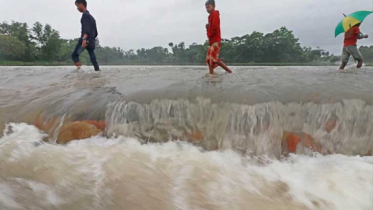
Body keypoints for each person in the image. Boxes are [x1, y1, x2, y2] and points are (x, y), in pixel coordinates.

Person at [205, 0, 232, 75]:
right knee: (209, 59)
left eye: (208, 7)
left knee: (213, 59)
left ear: (213, 6)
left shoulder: (214, 13)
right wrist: (207, 28)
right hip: (212, 40)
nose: (207, 9)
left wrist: (209, 34)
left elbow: (215, 27)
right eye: (206, 7)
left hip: (216, 40)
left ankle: (229, 72)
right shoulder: (210, 16)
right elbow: (211, 29)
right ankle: (211, 75)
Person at [72, 0, 100, 71]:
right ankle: (97, 70)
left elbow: (86, 28)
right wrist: (91, 39)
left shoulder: (85, 15)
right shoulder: (92, 17)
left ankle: (80, 71)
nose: (77, 8)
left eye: (77, 6)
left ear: (81, 4)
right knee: (92, 57)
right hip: (91, 40)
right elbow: (96, 32)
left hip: (85, 39)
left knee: (75, 55)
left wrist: (84, 39)